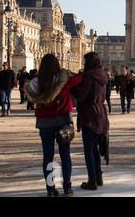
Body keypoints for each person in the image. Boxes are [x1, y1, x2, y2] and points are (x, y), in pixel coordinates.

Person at [25, 54, 82, 197]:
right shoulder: (63, 80)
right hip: (62, 120)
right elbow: (79, 78)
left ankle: (50, 188)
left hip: (44, 123)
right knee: (65, 156)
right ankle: (67, 187)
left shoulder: (36, 83)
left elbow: (26, 91)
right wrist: (66, 72)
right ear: (57, 64)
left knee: (48, 156)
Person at [72, 52, 109, 191]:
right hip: (100, 114)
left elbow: (81, 96)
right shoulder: (102, 75)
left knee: (89, 150)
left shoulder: (89, 77)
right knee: (95, 149)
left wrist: (71, 87)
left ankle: (92, 180)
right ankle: (98, 177)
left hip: (89, 116)